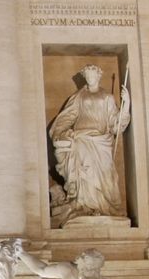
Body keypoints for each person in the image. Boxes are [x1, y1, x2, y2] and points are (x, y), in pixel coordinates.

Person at [48, 63, 131, 223]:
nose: (90, 78)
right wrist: (62, 133)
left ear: (99, 76)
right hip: (82, 139)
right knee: (85, 175)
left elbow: (116, 123)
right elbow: (67, 117)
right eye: (88, 76)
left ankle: (104, 207)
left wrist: (126, 105)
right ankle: (84, 207)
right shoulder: (79, 96)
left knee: (105, 174)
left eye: (93, 75)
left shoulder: (107, 97)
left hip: (102, 142)